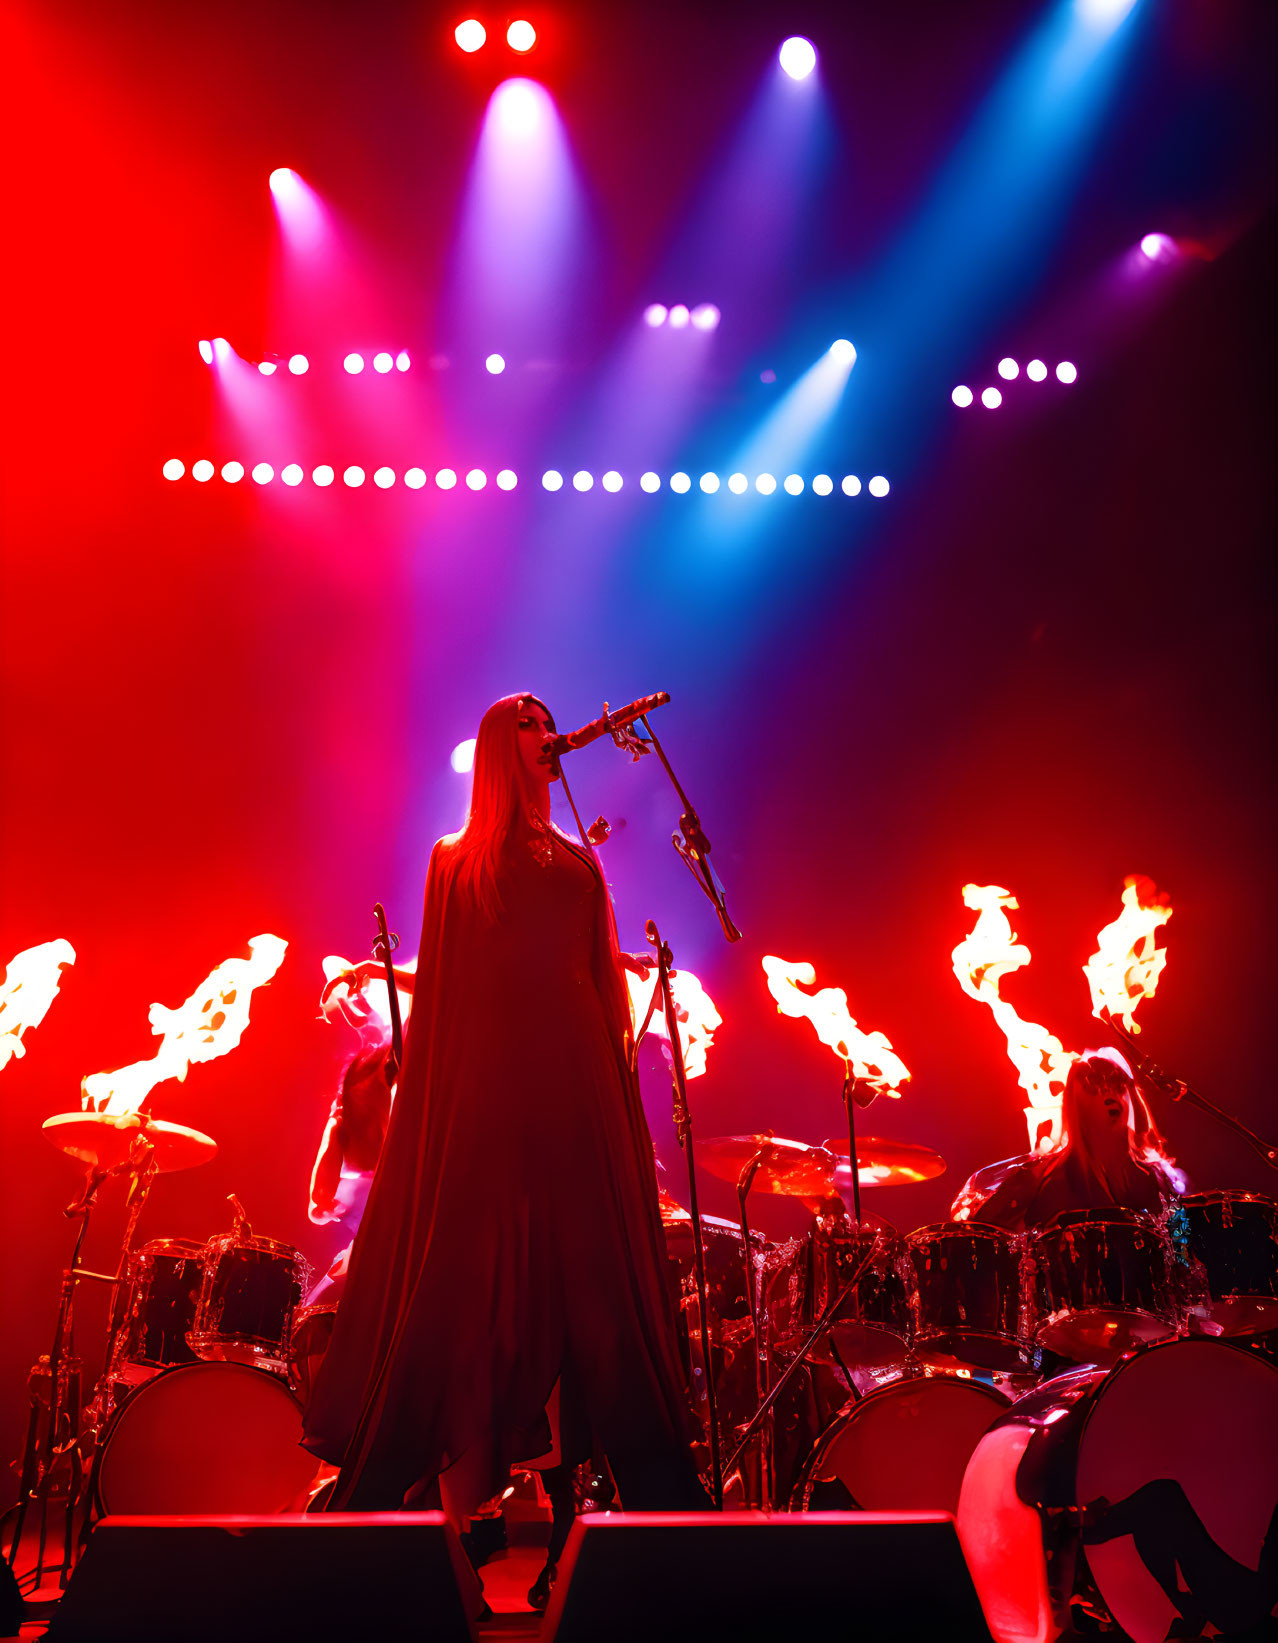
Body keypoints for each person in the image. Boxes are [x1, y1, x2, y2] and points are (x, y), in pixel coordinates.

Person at [301, 693, 704, 1594]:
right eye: (524, 719)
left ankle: (669, 1507)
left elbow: (597, 979)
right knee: (448, 1281)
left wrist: (619, 1100)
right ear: (496, 747)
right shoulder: (457, 862)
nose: (543, 727)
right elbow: (447, 988)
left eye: (545, 717)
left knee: (604, 1294)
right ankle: (367, 1501)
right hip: (488, 1092)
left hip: (576, 1088)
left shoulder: (578, 861)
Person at [951, 1049, 1183, 1232]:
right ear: (1077, 1106)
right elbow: (980, 1232)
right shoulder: (1043, 1177)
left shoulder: (1156, 1177)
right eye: (1095, 1088)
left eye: (1116, 1086)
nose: (1109, 1095)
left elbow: (1183, 1242)